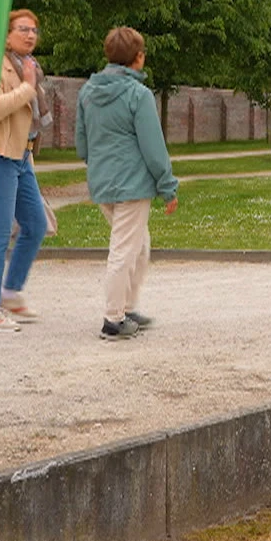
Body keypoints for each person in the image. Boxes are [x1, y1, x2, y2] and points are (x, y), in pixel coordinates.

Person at [76, 25, 180, 341]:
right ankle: (113, 320)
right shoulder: (139, 95)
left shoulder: (87, 93)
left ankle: (127, 307)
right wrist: (167, 185)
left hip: (102, 183)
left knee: (140, 245)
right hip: (132, 186)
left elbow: (82, 145)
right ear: (138, 58)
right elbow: (153, 146)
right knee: (124, 251)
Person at [0, 9, 48, 333]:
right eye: (23, 29)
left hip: (21, 157)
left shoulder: (29, 66)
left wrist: (30, 84)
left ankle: (9, 291)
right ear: (6, 35)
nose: (30, 35)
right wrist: (27, 90)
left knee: (35, 224)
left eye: (34, 30)